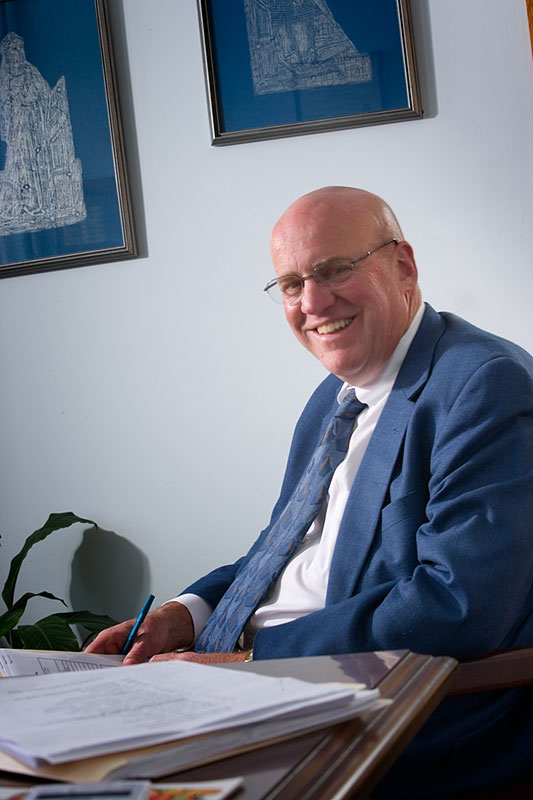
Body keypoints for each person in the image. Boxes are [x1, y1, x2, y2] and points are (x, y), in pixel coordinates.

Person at [88, 186, 533, 797]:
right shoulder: (333, 397)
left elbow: (457, 607)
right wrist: (183, 616)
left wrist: (250, 667)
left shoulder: (485, 385)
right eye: (292, 284)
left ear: (403, 265)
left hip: (379, 721)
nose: (314, 302)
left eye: (334, 270)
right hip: (247, 687)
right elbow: (281, 554)